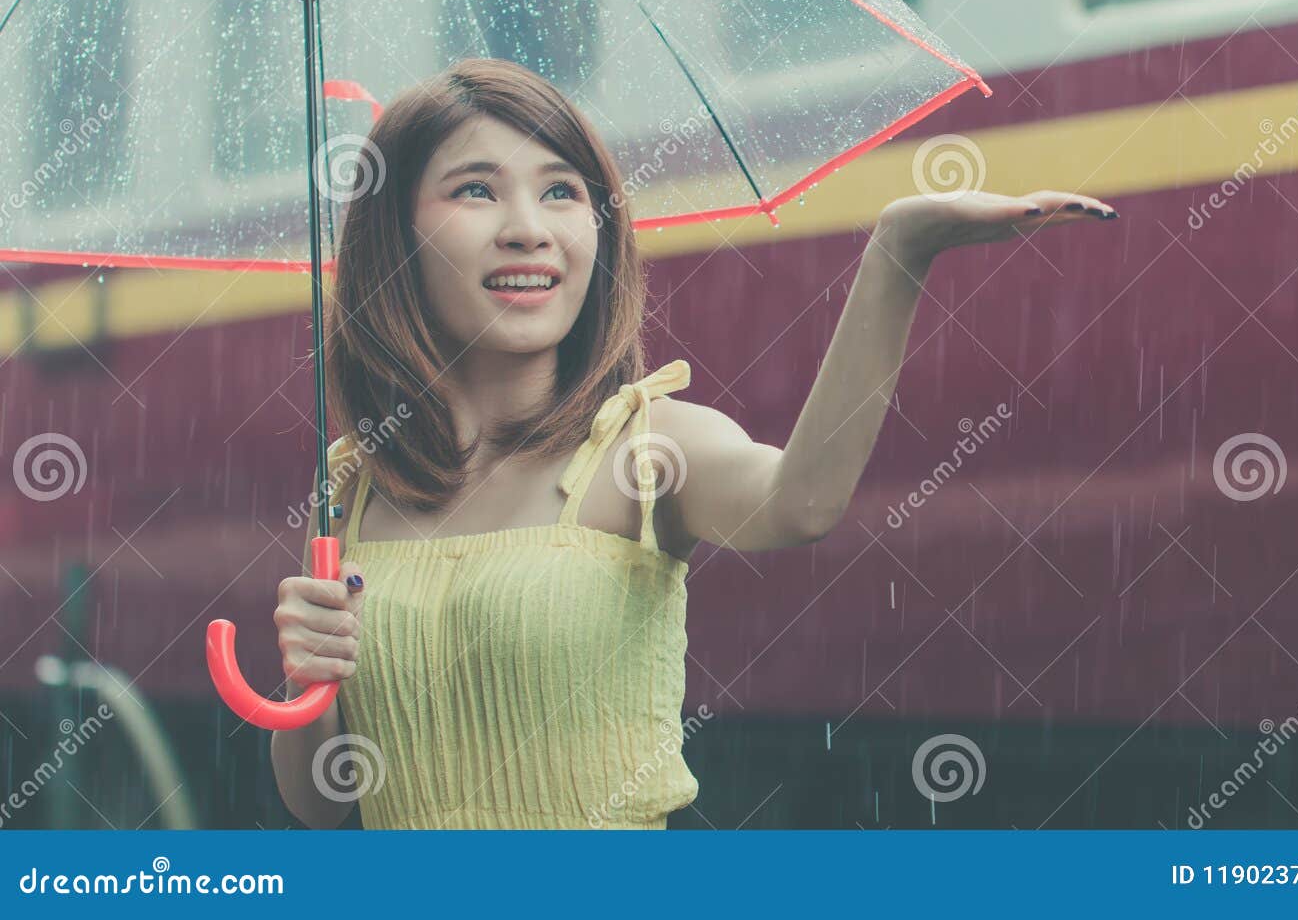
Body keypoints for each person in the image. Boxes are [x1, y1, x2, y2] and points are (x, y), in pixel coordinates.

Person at [269, 57, 1118, 829]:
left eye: (562, 191)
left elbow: (802, 502)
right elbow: (324, 805)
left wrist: (899, 253)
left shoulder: (647, 447)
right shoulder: (353, 484)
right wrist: (309, 678)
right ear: (397, 237)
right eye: (476, 191)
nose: (529, 227)